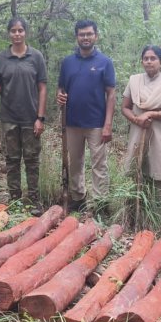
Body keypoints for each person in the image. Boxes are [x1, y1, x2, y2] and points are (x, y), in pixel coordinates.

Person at [0, 17, 47, 216]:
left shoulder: (36, 57)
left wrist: (41, 117)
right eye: (13, 30)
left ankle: (34, 200)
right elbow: (0, 88)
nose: (17, 34)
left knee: (32, 160)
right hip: (9, 117)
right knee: (12, 160)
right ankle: (14, 200)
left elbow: (42, 88)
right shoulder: (2, 58)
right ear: (9, 33)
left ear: (26, 33)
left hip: (31, 117)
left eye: (20, 30)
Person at [56, 20, 116, 213]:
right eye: (82, 34)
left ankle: (100, 203)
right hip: (72, 122)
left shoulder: (104, 62)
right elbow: (61, 89)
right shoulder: (68, 62)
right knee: (75, 163)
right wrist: (60, 96)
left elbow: (111, 93)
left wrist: (108, 124)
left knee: (99, 164)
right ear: (77, 37)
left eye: (89, 34)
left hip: (96, 123)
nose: (85, 37)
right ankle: (77, 198)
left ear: (95, 36)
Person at [120, 45, 161, 220]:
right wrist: (136, 119)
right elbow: (125, 107)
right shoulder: (134, 80)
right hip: (138, 131)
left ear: (160, 61)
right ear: (142, 61)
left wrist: (151, 114)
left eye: (153, 58)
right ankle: (133, 217)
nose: (149, 61)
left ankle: (160, 220)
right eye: (146, 58)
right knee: (135, 172)